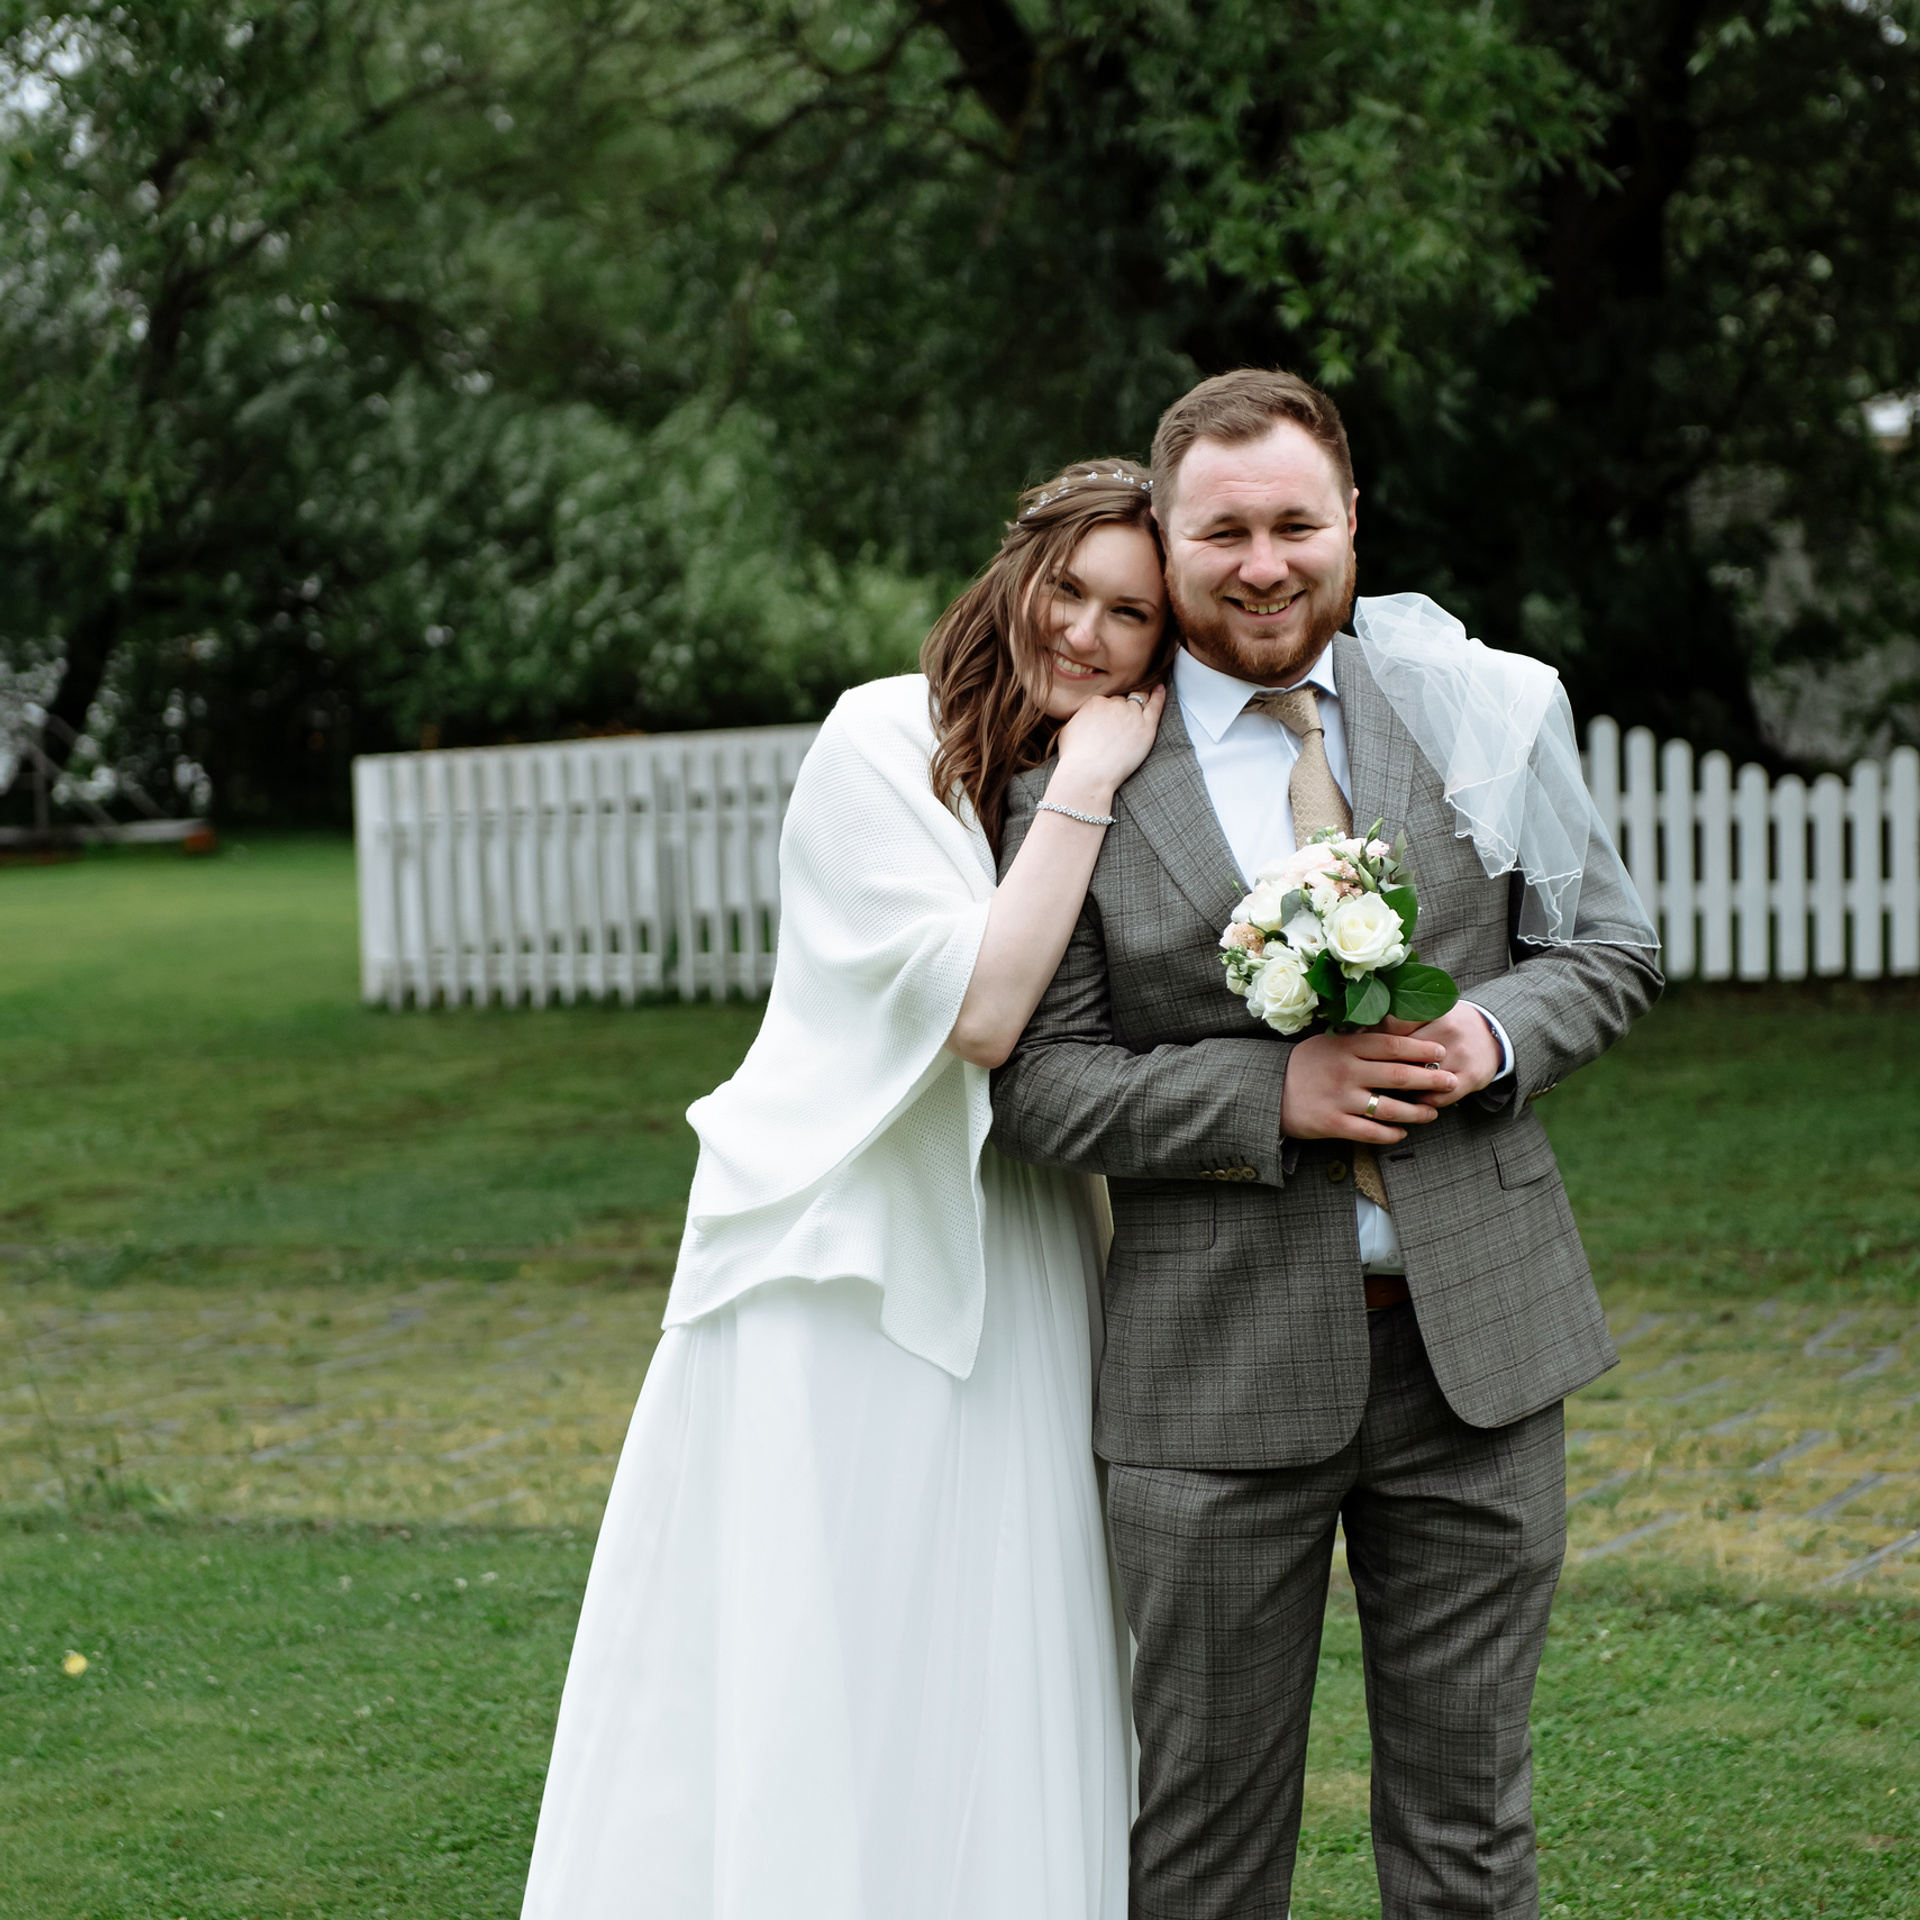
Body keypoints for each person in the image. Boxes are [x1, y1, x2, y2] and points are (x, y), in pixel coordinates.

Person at [990, 370, 1662, 1919]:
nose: (1266, 562)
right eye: (1223, 532)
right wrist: (1263, 1099)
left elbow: (1608, 947)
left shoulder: (1477, 704)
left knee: (1471, 1840)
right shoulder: (1078, 774)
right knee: (1208, 1856)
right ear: (1166, 539)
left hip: (1479, 1357)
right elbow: (1038, 1086)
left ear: (1352, 520)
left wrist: (1488, 1038)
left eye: (1298, 522)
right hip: (1209, 1386)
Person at [520, 460, 1175, 1920]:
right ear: (1015, 570)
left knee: (1000, 1623)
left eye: (1128, 613)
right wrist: (1082, 786)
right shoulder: (882, 737)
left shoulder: (1140, 776)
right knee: (831, 1615)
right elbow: (983, 1011)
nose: (1082, 630)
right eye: (1066, 586)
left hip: (1027, 1243)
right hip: (843, 1245)